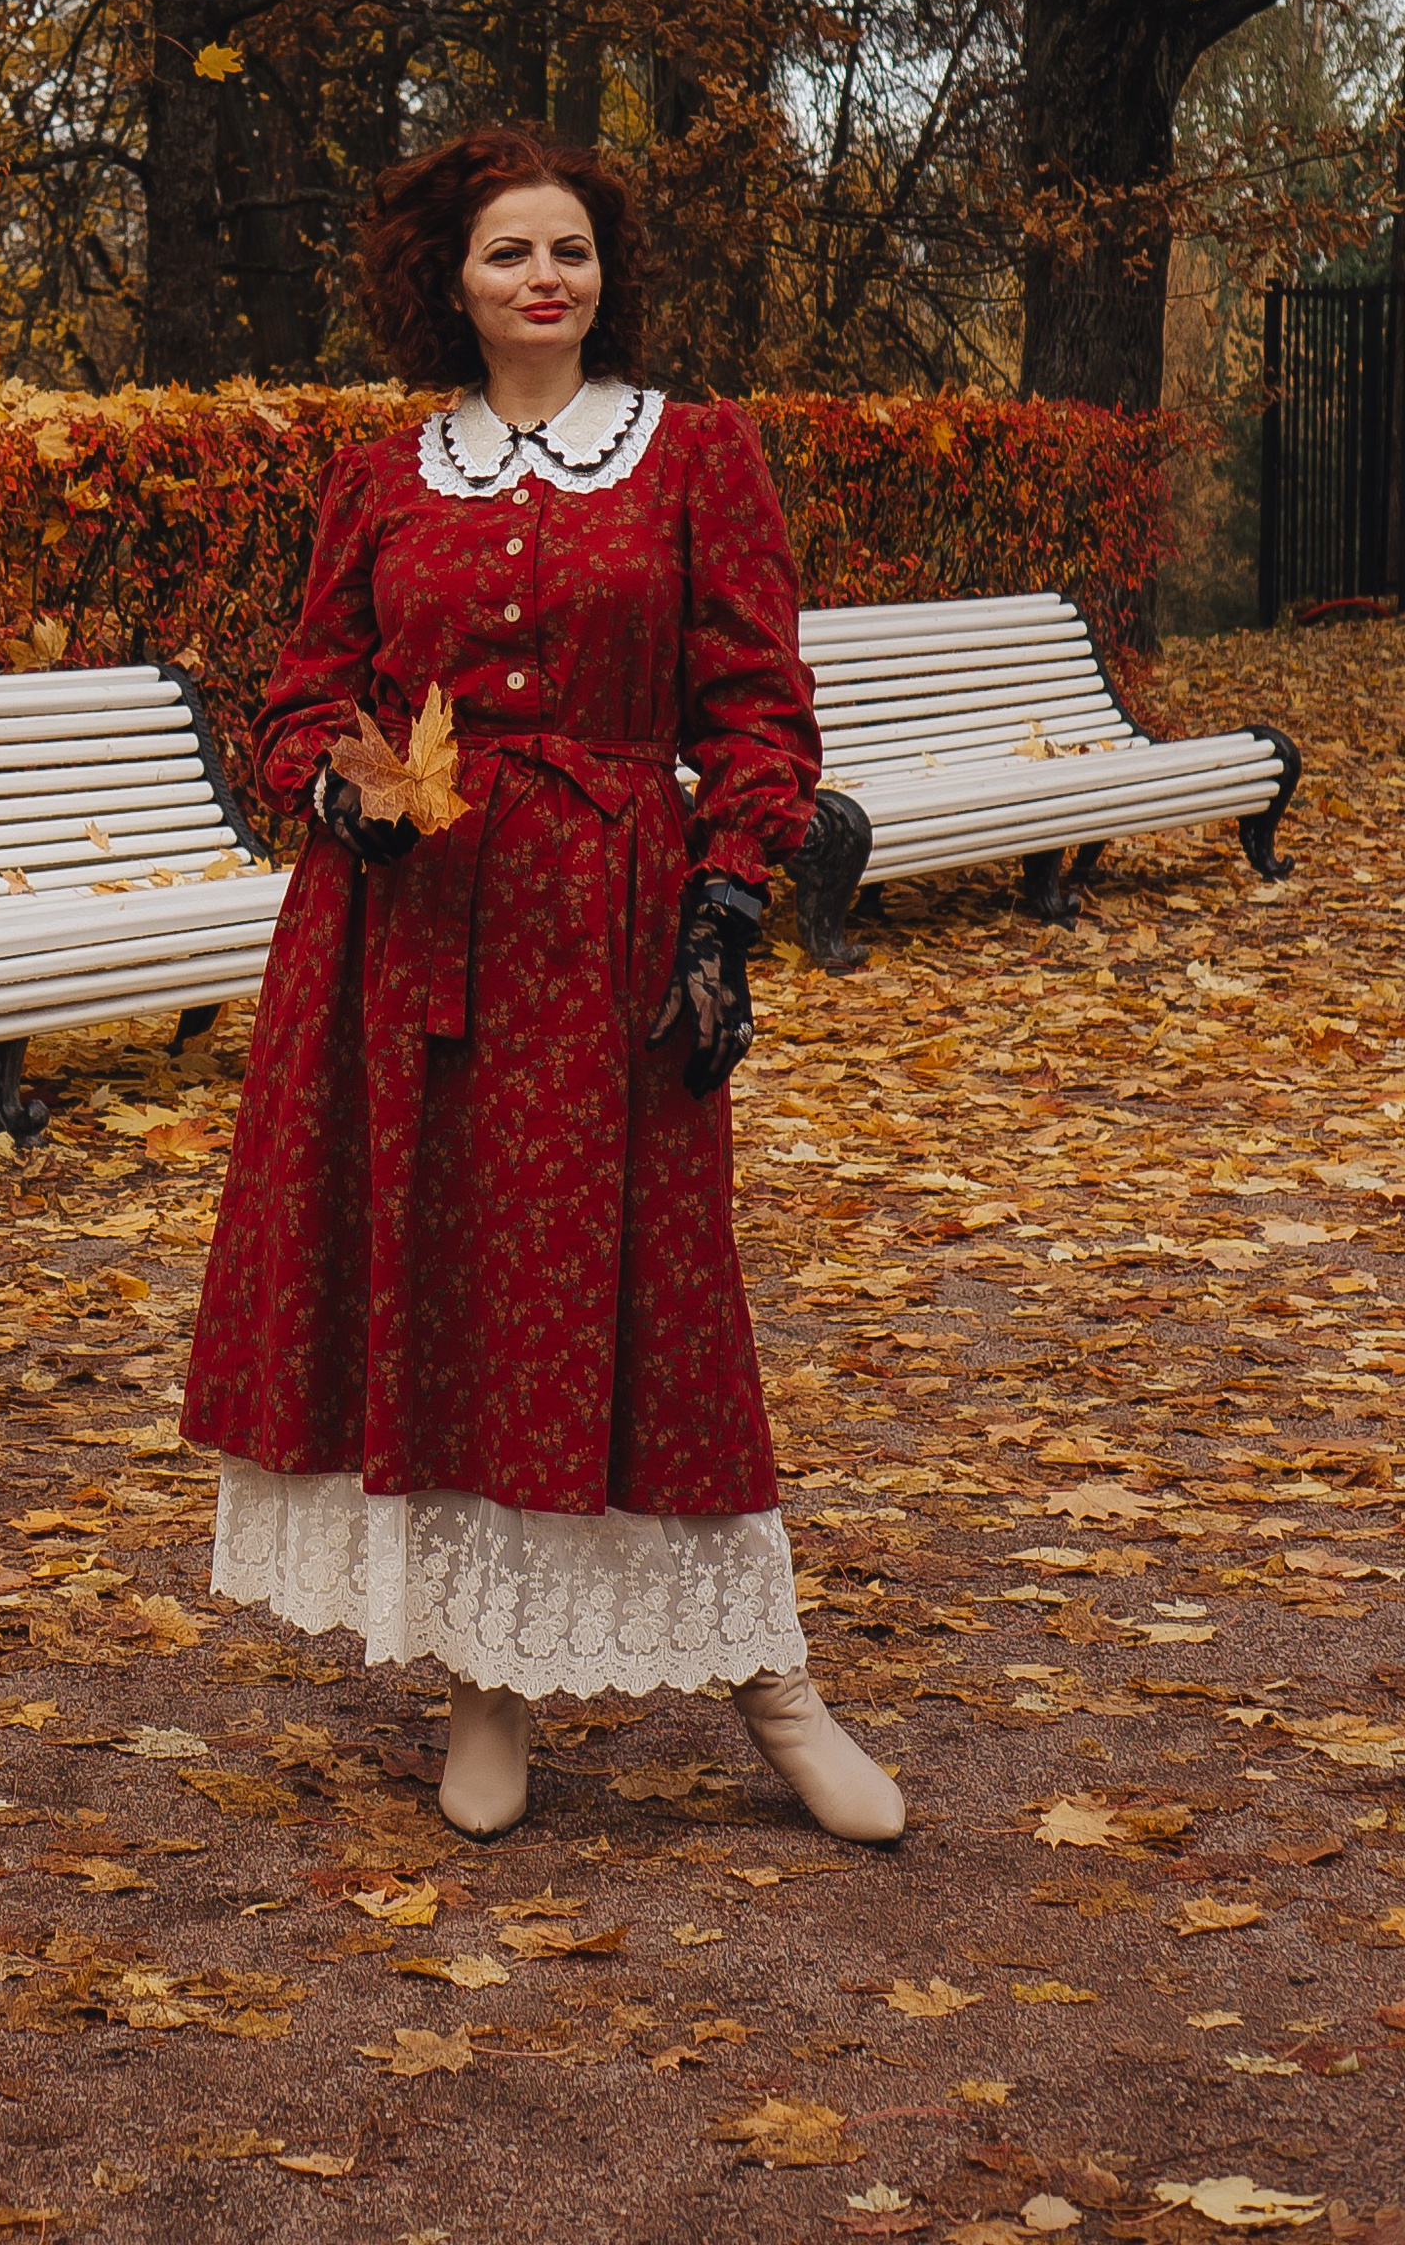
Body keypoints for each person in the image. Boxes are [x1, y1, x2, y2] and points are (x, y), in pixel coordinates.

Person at [180, 128, 903, 1845]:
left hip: (611, 928)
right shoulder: (381, 478)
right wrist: (347, 786)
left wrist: (725, 906)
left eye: (568, 249)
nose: (543, 277)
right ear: (452, 281)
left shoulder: (695, 456)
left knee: (660, 1305)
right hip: (408, 937)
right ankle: (486, 1688)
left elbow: (758, 707)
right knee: (451, 1296)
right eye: (509, 251)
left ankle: (777, 1688)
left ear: (605, 275)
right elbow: (306, 695)